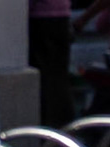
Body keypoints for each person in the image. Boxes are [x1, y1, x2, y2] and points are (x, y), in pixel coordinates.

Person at [28, 0, 75, 129]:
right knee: (59, 78)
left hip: (41, 17)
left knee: (46, 79)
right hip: (61, 15)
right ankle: (66, 125)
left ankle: (50, 126)